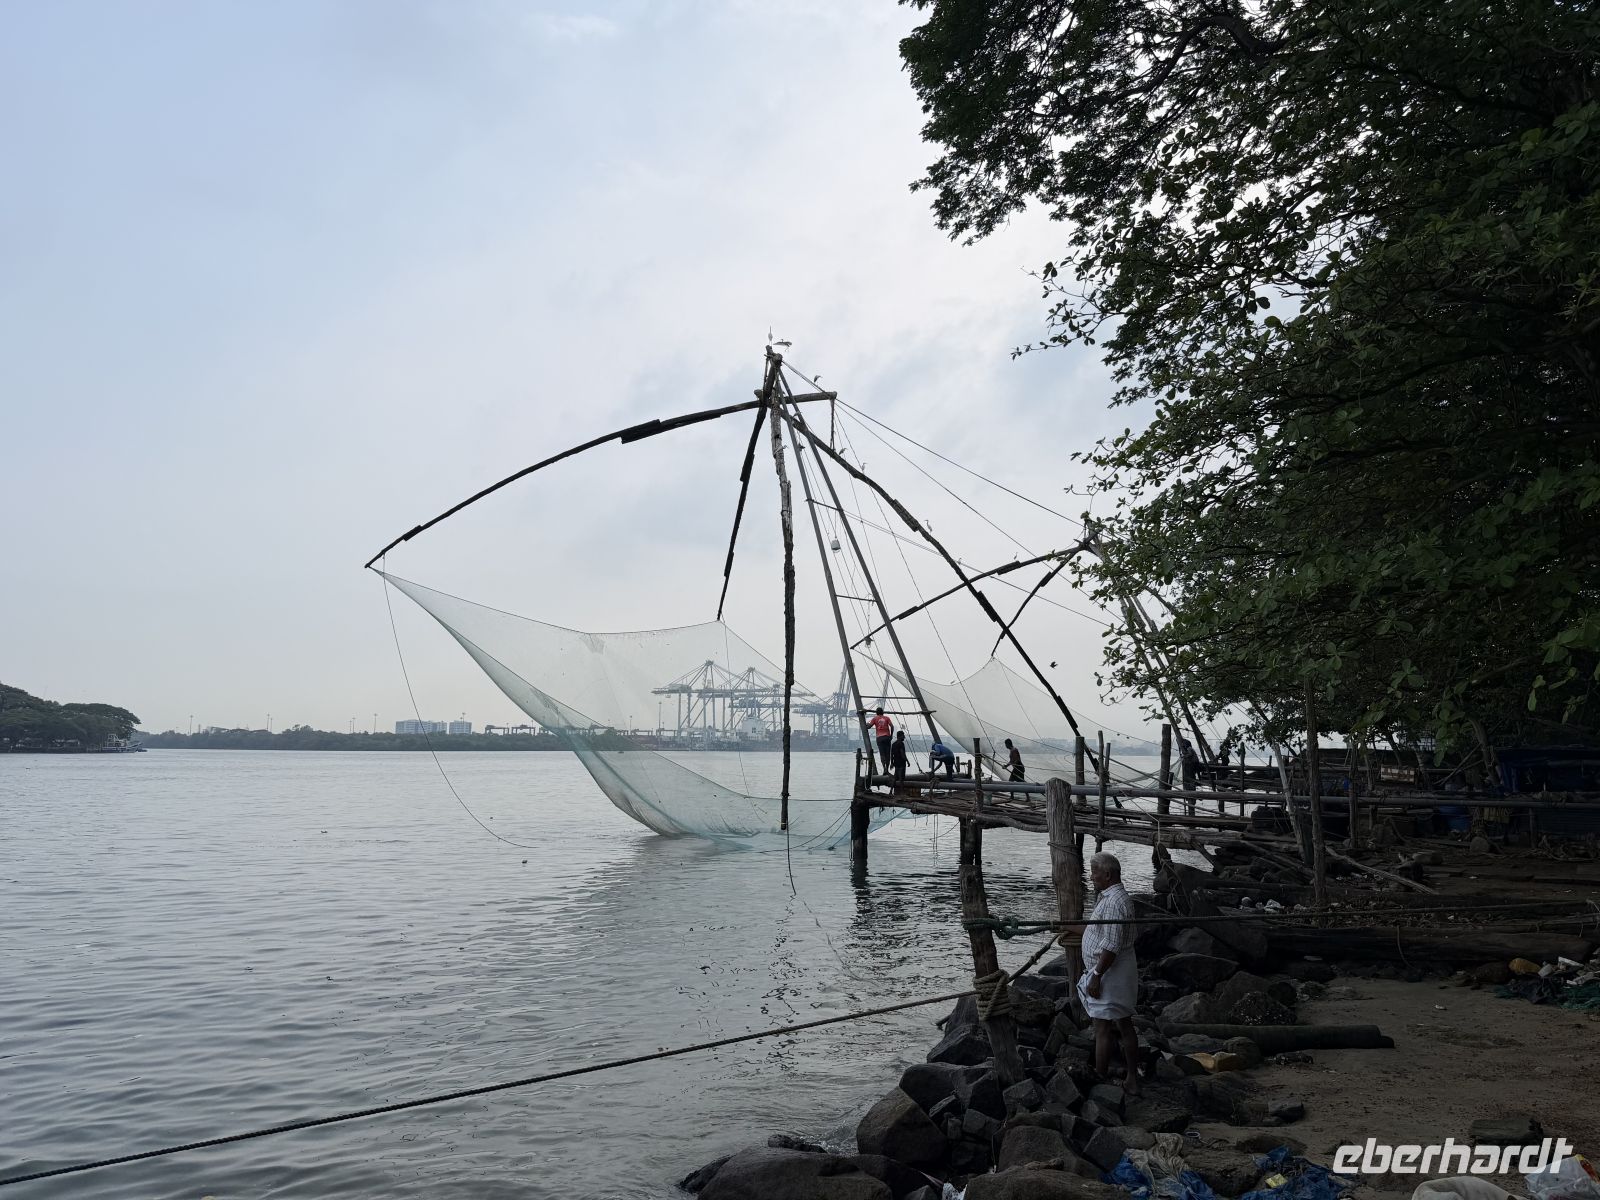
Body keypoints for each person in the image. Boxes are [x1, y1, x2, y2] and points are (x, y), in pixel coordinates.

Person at [1078, 851, 1141, 1098]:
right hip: (1117, 969)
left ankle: (1101, 1078)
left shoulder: (1114, 902)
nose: (1091, 876)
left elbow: (1112, 946)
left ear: (1107, 874)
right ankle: (1131, 1077)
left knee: (1103, 1027)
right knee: (1124, 1023)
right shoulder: (1113, 897)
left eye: (1094, 872)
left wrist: (1096, 975)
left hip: (1111, 972)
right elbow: (1100, 932)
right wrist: (1062, 925)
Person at [868, 707, 894, 775]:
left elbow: (869, 727)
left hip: (879, 738)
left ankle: (884, 768)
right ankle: (887, 770)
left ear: (876, 712)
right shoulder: (887, 718)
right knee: (887, 754)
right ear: (882, 712)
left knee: (882, 754)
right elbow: (892, 726)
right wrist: (891, 735)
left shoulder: (874, 718)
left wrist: (866, 724)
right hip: (887, 737)